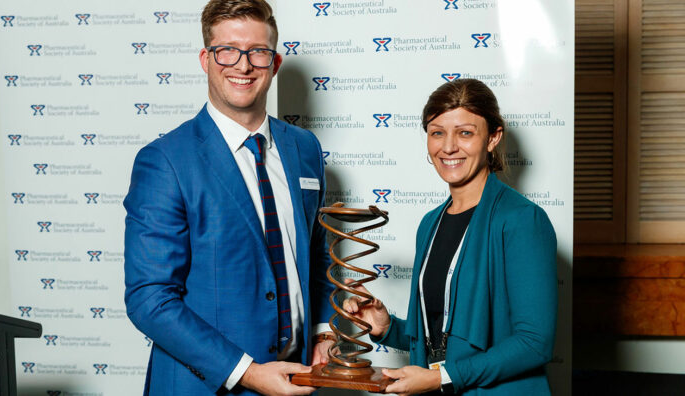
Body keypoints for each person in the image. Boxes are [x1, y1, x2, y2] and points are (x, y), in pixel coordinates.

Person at [123, 1, 335, 395]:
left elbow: (317, 251)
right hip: (204, 386)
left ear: (274, 63)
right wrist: (249, 372)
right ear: (206, 59)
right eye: (227, 51)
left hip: (298, 380)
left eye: (258, 51)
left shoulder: (304, 148)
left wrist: (323, 332)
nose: (243, 65)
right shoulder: (165, 161)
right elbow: (149, 299)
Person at [344, 79, 557, 395]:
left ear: (493, 137)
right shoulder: (430, 223)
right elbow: (443, 340)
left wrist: (441, 377)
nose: (448, 147)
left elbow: (534, 343)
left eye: (465, 133)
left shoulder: (522, 219)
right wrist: (388, 328)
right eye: (437, 132)